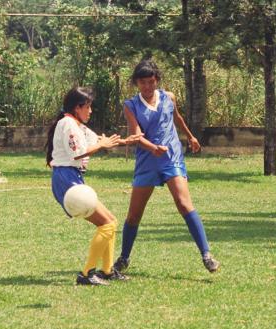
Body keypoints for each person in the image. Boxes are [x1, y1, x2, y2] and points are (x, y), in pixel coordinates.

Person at [114, 59, 220, 273]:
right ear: (136, 83)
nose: (148, 87)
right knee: (134, 215)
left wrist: (190, 137)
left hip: (171, 157)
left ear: (157, 80)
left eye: (151, 82)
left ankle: (207, 255)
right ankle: (124, 258)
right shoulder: (131, 105)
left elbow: (177, 118)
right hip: (147, 161)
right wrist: (153, 148)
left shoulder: (168, 97)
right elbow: (136, 136)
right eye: (143, 83)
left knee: (183, 203)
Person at [46, 87, 139, 286]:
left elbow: (98, 140)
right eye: (87, 107)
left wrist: (125, 141)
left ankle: (106, 271)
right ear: (77, 107)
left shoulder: (77, 124)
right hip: (66, 179)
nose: (90, 111)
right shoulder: (69, 124)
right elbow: (77, 154)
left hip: (71, 177)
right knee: (107, 224)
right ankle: (87, 273)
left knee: (110, 221)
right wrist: (103, 145)